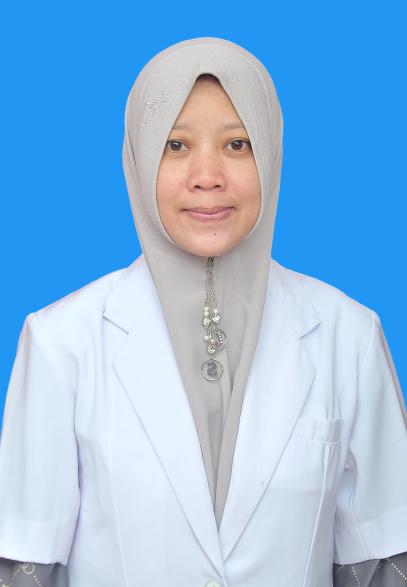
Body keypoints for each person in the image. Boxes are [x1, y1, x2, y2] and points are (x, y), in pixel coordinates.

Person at [0, 38, 406, 587]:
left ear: (270, 153)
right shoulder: (60, 342)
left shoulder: (349, 335)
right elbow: (26, 561)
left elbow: (383, 557)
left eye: (237, 144)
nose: (208, 175)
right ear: (140, 157)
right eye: (176, 145)